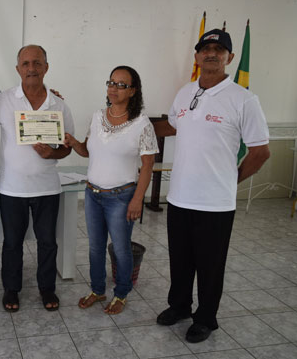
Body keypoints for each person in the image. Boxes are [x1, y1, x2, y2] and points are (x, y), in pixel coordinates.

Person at [154, 29, 270, 343]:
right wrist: (133, 122)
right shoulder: (185, 91)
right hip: (179, 197)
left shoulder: (244, 99)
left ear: (229, 58)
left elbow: (261, 152)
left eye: (219, 49)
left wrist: (231, 180)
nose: (211, 54)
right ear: (197, 56)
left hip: (215, 204)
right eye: (206, 48)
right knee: (180, 260)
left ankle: (205, 318)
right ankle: (179, 306)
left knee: (209, 265)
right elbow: (173, 126)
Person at [0, 45, 75, 312]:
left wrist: (53, 152)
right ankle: (11, 289)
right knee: (12, 243)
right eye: (26, 64)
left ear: (46, 67)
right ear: (18, 69)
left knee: (48, 242)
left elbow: (68, 145)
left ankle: (47, 288)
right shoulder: (3, 100)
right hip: (11, 189)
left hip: (47, 188)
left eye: (37, 63)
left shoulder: (59, 104)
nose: (31, 68)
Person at [64, 66, 157, 314]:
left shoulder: (142, 124)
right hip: (93, 193)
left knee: (120, 247)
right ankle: (97, 289)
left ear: (133, 91)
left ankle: (122, 293)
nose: (114, 88)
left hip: (121, 197)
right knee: (95, 247)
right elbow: (87, 151)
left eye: (121, 85)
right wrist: (74, 143)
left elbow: (148, 166)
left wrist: (138, 199)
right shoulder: (97, 117)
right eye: (111, 82)